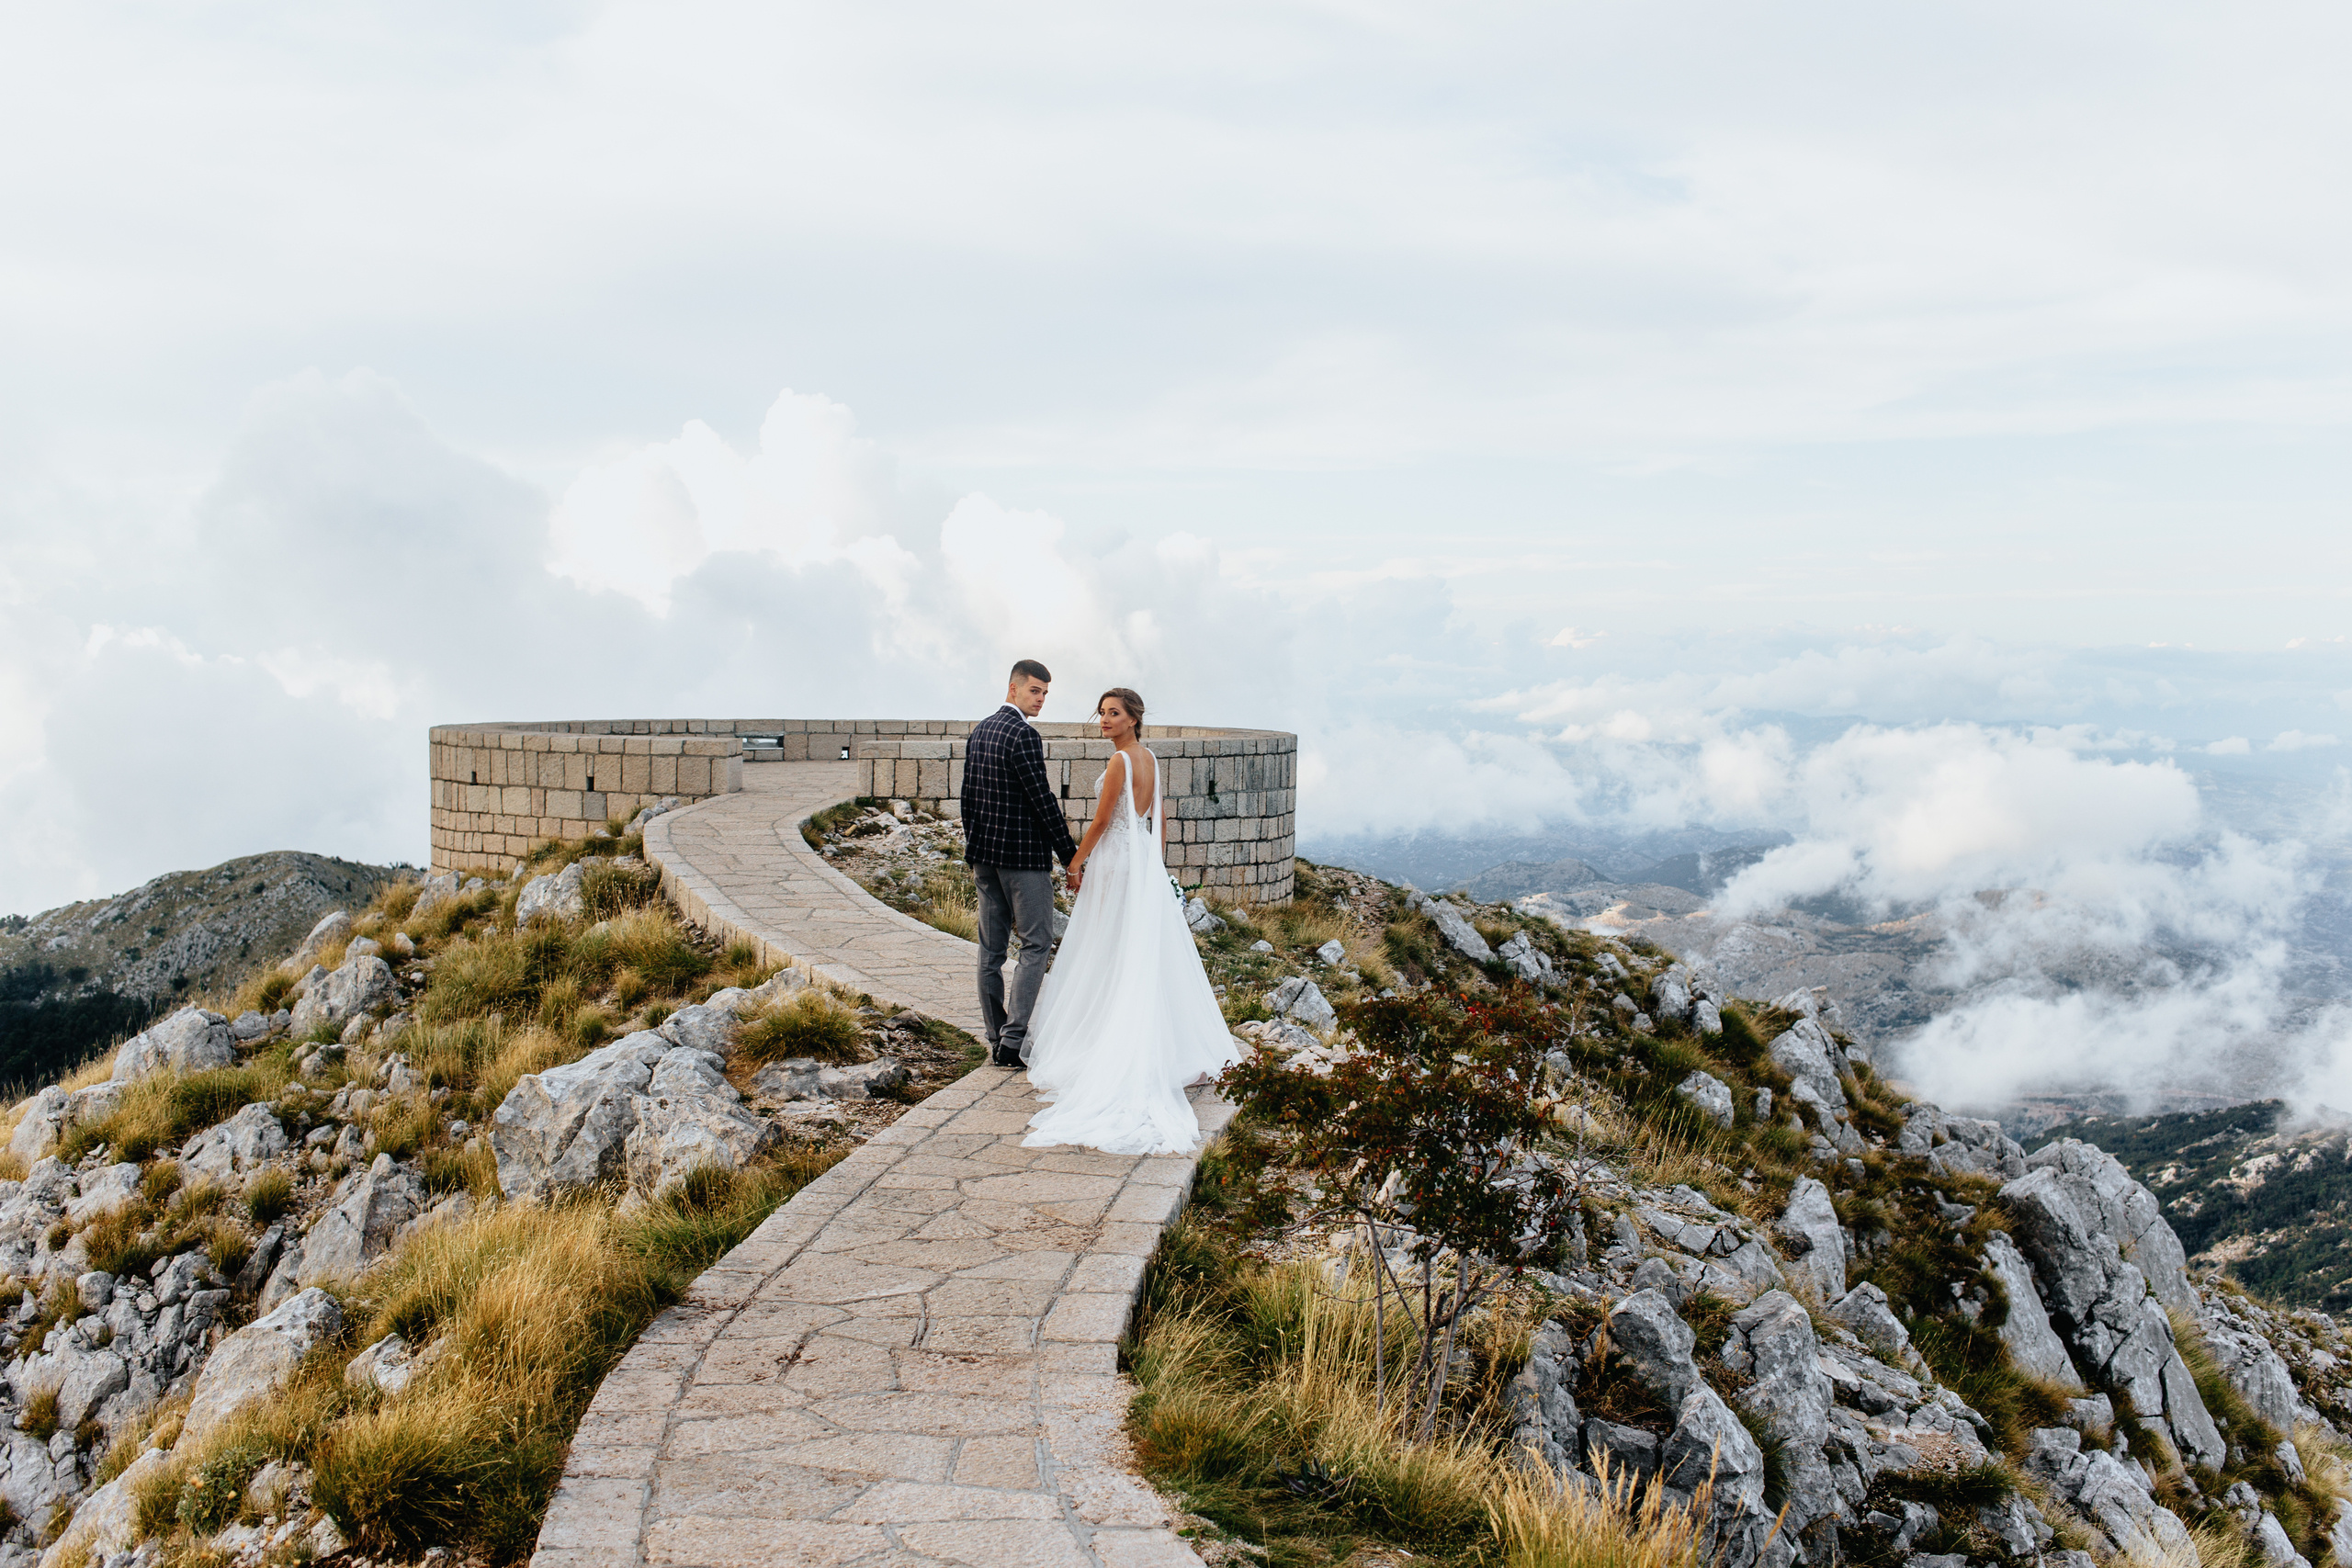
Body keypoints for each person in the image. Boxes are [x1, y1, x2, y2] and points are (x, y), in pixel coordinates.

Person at [1021, 686, 1239, 1155]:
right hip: (1140, 860)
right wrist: (1154, 869)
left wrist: (1075, 864)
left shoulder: (1120, 762)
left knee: (1106, 948)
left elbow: (1101, 822)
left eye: (1113, 714)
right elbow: (1157, 821)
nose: (1104, 720)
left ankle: (1107, 1040)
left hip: (1116, 861)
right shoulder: (1152, 759)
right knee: (1135, 950)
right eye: (1101, 713)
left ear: (1133, 718)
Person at [962, 659, 1081, 1069]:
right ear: (1012, 689)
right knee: (1036, 944)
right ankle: (1012, 1043)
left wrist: (973, 847)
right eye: (1035, 691)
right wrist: (1071, 856)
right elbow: (1042, 800)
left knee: (991, 949)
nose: (1041, 699)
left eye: (1046, 693)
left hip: (984, 858)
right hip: (1022, 860)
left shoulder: (980, 731)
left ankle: (995, 1036)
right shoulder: (1023, 735)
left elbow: (968, 799)